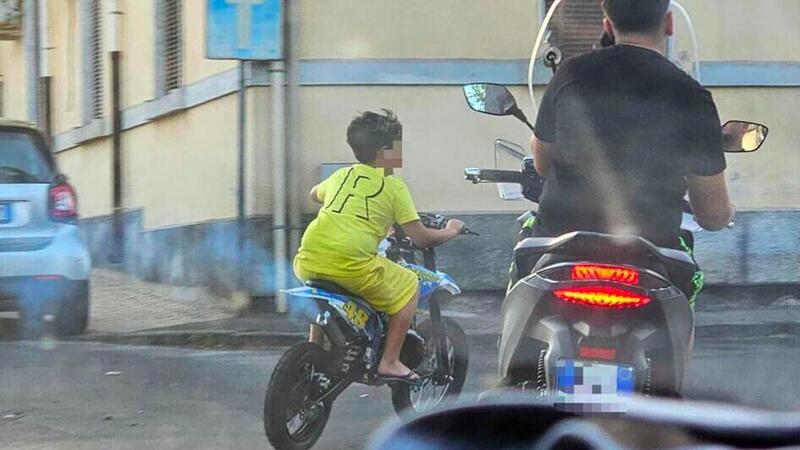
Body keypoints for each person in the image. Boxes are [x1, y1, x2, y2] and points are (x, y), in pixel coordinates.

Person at [527, 0, 735, 304]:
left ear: (608, 26)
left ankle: (515, 349)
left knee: (524, 277)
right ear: (669, 24)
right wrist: (727, 214)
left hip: (562, 246)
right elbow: (713, 216)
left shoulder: (570, 74)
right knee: (681, 312)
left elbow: (542, 164)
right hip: (649, 255)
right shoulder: (692, 96)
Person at [294, 109, 464, 382]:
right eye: (399, 146)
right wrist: (450, 231)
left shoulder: (341, 176)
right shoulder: (394, 187)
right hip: (350, 264)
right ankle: (390, 361)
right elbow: (421, 238)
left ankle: (316, 350)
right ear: (387, 151)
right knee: (408, 283)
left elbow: (315, 194)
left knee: (320, 291)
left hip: (308, 259)